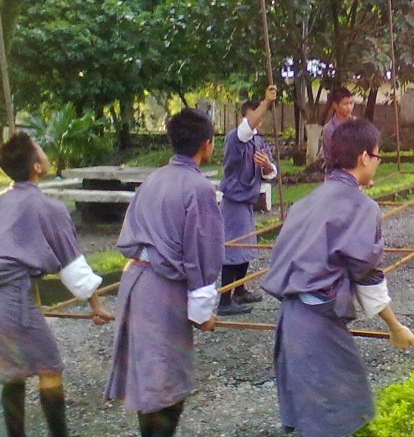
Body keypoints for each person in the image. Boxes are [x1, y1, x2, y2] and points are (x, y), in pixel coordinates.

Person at [263, 118, 414, 437]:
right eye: (377, 156)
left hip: (291, 317)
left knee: (319, 410)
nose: (377, 163)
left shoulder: (306, 202)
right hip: (317, 322)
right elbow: (367, 274)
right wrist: (396, 327)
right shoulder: (361, 206)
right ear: (364, 157)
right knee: (335, 414)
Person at [105, 108, 223, 436]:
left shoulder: (153, 179)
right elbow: (202, 254)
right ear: (207, 144)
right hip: (162, 289)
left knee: (152, 378)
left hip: (136, 281)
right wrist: (202, 312)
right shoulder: (197, 187)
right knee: (163, 382)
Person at [0, 132, 112, 437]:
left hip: (10, 296)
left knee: (12, 368)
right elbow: (73, 266)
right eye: (41, 151)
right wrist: (97, 305)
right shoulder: (48, 207)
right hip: (12, 298)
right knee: (49, 365)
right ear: (36, 166)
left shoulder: (2, 201)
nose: (45, 155)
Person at [218, 87, 279, 316]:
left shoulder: (259, 142)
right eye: (256, 116)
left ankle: (239, 290)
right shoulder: (236, 139)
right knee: (232, 251)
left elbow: (272, 172)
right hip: (234, 202)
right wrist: (266, 101)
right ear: (245, 118)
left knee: (245, 249)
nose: (259, 121)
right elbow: (247, 129)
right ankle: (224, 299)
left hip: (248, 203)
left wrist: (266, 166)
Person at [320, 86, 356, 174]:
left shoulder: (357, 123)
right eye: (345, 104)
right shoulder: (329, 129)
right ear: (335, 105)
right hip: (337, 173)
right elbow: (330, 157)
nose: (349, 107)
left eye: (351, 103)